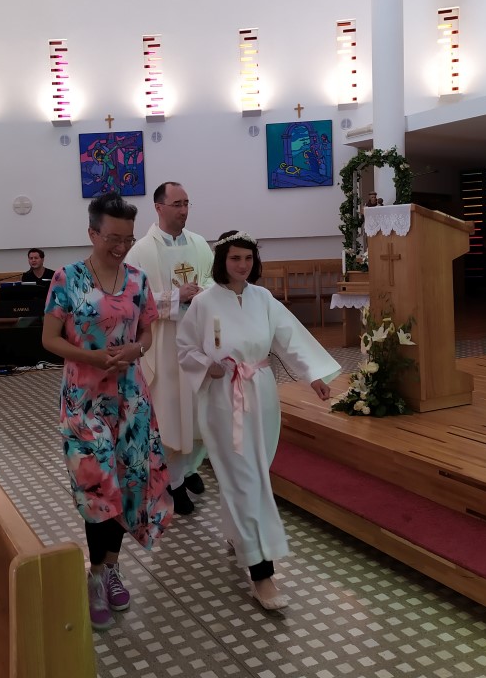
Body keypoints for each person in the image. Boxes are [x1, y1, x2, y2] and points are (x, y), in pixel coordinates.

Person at [176, 230, 339, 611]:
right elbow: (184, 348)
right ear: (222, 260)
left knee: (253, 473)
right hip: (223, 399)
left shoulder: (262, 298)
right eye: (235, 258)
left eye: (248, 258)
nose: (242, 265)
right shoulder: (204, 303)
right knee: (246, 479)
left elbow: (289, 339)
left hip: (262, 394)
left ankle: (237, 534)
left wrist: (313, 376)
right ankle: (262, 574)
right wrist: (207, 365)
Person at [42, 192, 173, 631]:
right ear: (92, 233)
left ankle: (111, 569)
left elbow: (147, 332)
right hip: (84, 401)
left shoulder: (137, 279)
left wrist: (137, 349)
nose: (121, 247)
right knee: (98, 487)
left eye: (127, 239)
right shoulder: (68, 278)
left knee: (128, 484)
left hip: (130, 400)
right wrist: (92, 357)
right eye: (112, 238)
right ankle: (95, 576)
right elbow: (49, 339)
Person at [126, 181, 214, 516]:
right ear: (159, 207)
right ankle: (171, 481)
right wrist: (178, 296)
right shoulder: (141, 252)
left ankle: (188, 469)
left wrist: (202, 293)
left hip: (195, 340)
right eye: (177, 204)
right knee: (170, 413)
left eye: (187, 203)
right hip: (163, 345)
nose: (184, 210)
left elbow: (212, 281)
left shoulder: (200, 244)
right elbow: (134, 299)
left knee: (195, 410)